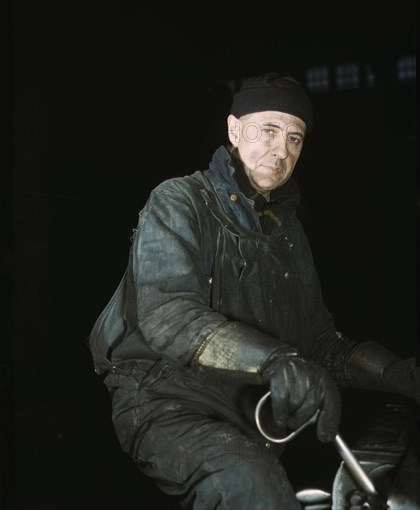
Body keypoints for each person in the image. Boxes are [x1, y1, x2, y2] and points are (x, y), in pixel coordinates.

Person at [89, 72, 419, 509]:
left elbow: (323, 346)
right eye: (268, 130)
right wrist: (276, 360)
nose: (281, 150)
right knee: (252, 485)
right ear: (233, 130)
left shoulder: (289, 234)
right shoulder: (179, 200)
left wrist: (399, 375)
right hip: (166, 400)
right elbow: (168, 316)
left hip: (250, 416)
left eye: (295, 138)